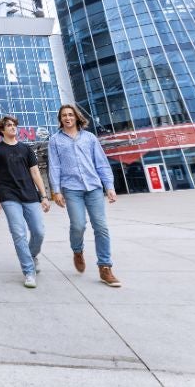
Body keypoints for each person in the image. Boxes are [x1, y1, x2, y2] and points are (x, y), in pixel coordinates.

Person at [47, 105, 122, 287]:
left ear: (76, 117)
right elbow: (54, 166)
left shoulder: (89, 138)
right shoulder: (55, 140)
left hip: (94, 187)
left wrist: (109, 187)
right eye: (64, 115)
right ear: (60, 119)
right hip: (71, 189)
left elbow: (101, 164)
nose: (67, 117)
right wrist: (56, 191)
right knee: (78, 225)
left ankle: (105, 267)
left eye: (70, 114)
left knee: (101, 227)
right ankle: (77, 251)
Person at [0, 115, 50, 289]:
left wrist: (44, 196)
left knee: (39, 231)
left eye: (14, 125)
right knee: (19, 233)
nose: (13, 127)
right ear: (2, 130)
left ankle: (32, 254)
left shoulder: (26, 149)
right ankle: (29, 272)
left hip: (29, 194)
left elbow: (35, 173)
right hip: (9, 195)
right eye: (9, 125)